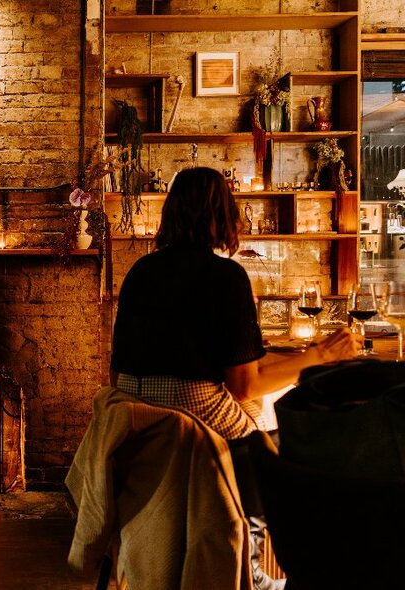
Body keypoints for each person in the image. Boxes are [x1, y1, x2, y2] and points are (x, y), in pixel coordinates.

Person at [109, 167, 361, 590]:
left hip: (134, 419)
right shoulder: (224, 277)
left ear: (171, 212)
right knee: (273, 444)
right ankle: (256, 567)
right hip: (189, 417)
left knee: (252, 412)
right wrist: (319, 354)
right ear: (224, 215)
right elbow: (244, 383)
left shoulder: (140, 272)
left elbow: (118, 368)